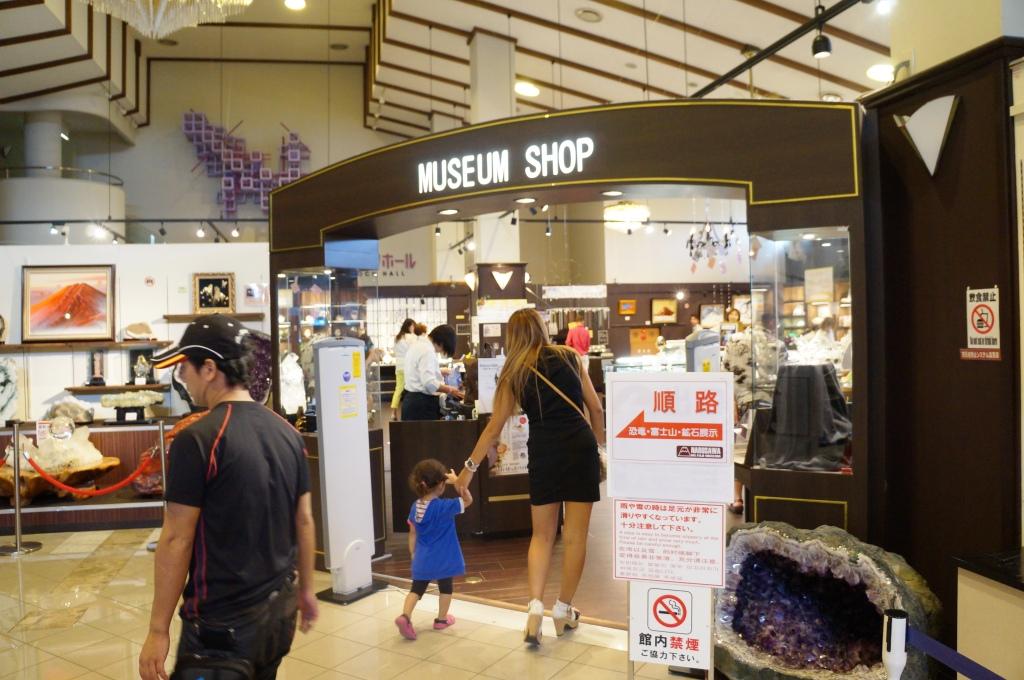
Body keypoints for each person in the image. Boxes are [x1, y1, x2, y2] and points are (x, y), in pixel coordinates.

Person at [139, 314, 318, 680]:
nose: (182, 378)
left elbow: (176, 539)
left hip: (221, 626)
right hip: (279, 613)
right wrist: (308, 591)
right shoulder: (287, 433)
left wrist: (158, 630)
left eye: (184, 368)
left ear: (209, 369)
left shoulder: (198, 439)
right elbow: (304, 520)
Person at [457, 308, 605, 646]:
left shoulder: (514, 371)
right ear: (542, 328)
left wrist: (467, 470)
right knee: (575, 537)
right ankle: (563, 609)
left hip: (544, 451)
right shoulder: (569, 357)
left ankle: (535, 608)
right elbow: (596, 408)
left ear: (512, 337)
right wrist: (597, 446)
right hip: (579, 448)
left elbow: (493, 428)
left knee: (541, 535)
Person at [395, 459, 473, 640]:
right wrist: (457, 482)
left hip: (423, 558)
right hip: (444, 558)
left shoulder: (415, 507)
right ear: (441, 485)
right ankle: (441, 620)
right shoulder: (445, 506)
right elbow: (468, 500)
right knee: (446, 588)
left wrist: (413, 553)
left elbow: (412, 533)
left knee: (416, 590)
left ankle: (405, 616)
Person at [402, 324, 464, 421]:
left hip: (412, 401)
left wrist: (439, 371)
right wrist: (450, 389)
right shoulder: (428, 351)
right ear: (441, 343)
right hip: (421, 405)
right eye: (443, 349)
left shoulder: (418, 344)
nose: (440, 352)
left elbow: (418, 372)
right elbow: (428, 383)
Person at [390, 318, 417, 418]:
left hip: (399, 367)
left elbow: (394, 352)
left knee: (398, 389)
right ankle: (411, 411)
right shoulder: (411, 337)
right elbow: (415, 351)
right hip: (409, 367)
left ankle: (393, 413)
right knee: (411, 389)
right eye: (413, 326)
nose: (414, 328)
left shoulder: (397, 337)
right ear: (409, 326)